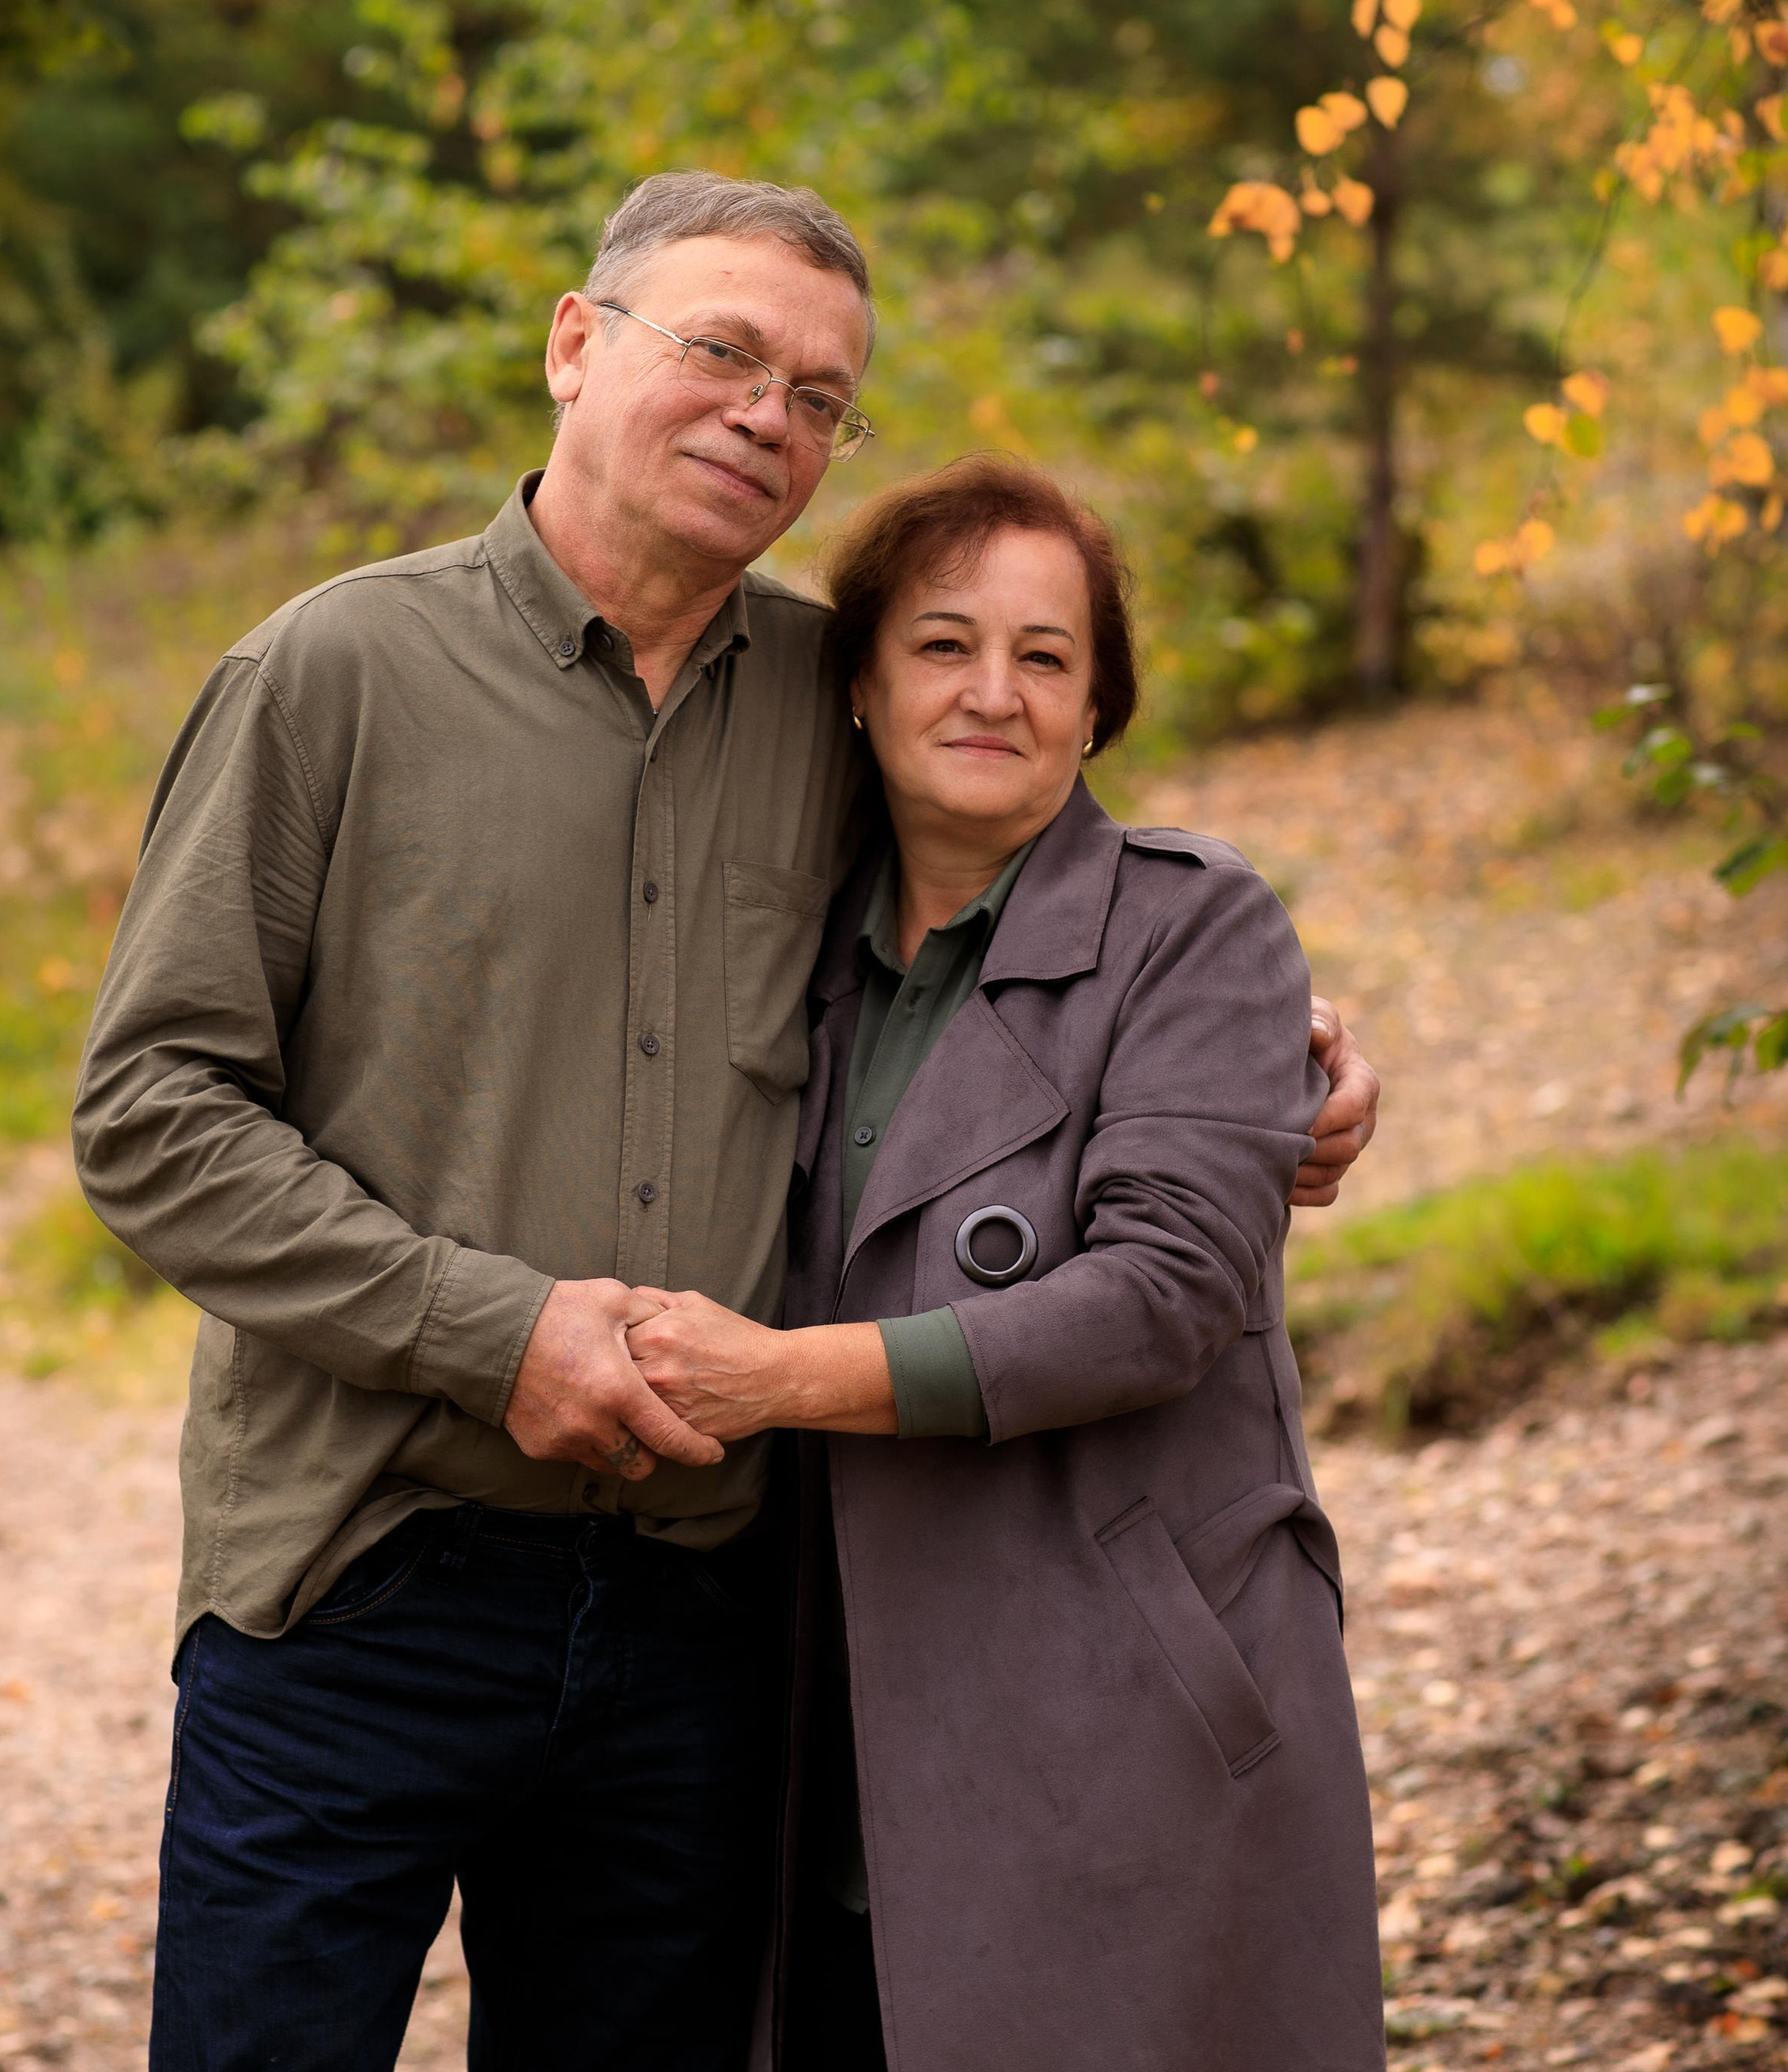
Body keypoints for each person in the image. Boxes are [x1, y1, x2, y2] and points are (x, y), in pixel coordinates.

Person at [71, 172, 1381, 2072]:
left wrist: (1284, 1062)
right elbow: (148, 1107)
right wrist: (491, 1327)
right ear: (572, 343)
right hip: (354, 1575)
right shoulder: (331, 675)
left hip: (708, 1604)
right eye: (723, 350)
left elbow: (1019, 918)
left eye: (822, 392)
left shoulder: (826, 703)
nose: (770, 413)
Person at [625, 456, 1384, 2072]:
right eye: (941, 644)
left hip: (1123, 1695)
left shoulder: (1195, 924)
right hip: (830, 1705)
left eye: (1044, 657)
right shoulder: (787, 949)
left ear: (1098, 704)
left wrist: (783, 1375)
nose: (992, 693)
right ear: (857, 682)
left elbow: (1164, 1289)